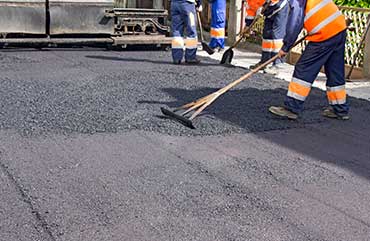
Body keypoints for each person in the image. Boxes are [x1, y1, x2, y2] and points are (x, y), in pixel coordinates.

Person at [269, 0, 349, 120]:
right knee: (334, 70)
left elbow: (295, 22)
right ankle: (340, 109)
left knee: (304, 68)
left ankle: (292, 107)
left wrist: (286, 47)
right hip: (339, 29)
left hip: (324, 35)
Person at [245, 0, 289, 74]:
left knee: (277, 36)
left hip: (280, 6)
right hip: (268, 10)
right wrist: (248, 25)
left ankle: (277, 64)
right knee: (267, 34)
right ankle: (265, 62)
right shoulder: (250, 1)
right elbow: (251, 10)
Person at [171, 0, 203, 64]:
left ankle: (176, 58)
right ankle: (190, 57)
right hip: (187, 4)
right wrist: (199, 3)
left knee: (176, 31)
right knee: (191, 31)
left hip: (174, 4)